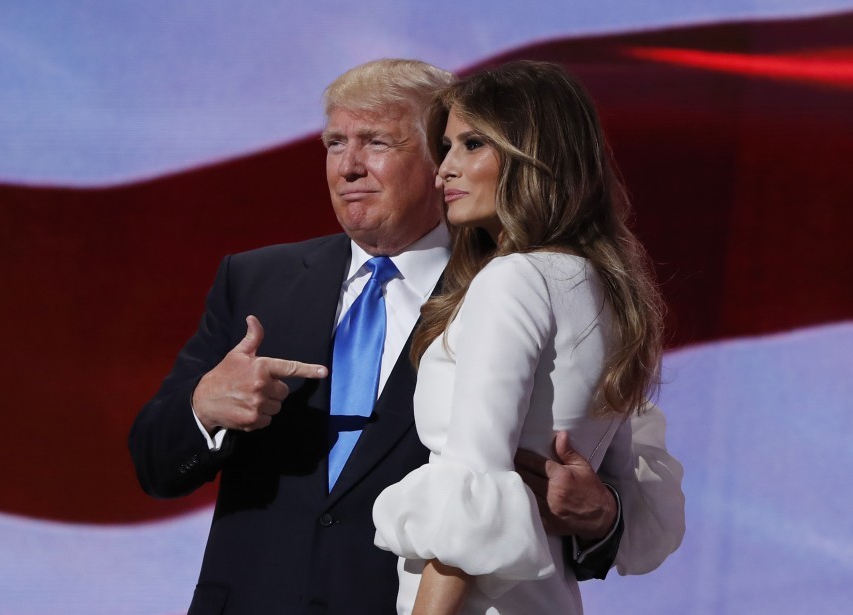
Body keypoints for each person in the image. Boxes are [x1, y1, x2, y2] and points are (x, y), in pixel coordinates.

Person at [128, 59, 684, 615]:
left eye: (377, 142)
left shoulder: (515, 281)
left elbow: (609, 454)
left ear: (434, 159)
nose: (348, 167)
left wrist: (603, 515)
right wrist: (204, 410)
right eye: (334, 143)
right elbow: (153, 464)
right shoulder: (255, 281)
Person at [372, 60, 668, 614]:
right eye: (446, 147)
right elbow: (617, 491)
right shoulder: (608, 287)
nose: (443, 171)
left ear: (535, 153)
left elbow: (471, 487)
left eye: (472, 144)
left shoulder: (514, 279)